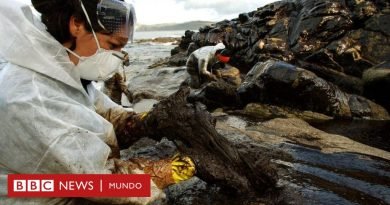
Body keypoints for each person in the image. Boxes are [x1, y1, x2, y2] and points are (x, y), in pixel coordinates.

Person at [0, 0, 194, 204]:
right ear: (77, 24)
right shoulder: (31, 99)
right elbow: (99, 182)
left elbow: (101, 110)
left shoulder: (61, 70)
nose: (116, 56)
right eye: (112, 45)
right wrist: (168, 172)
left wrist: (145, 122)